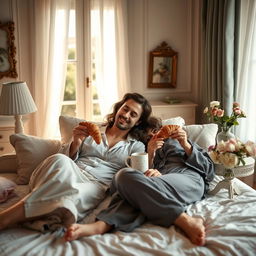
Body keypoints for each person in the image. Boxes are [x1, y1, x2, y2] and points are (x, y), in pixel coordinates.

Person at [0, 93, 152, 232]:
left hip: (95, 184)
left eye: (133, 114)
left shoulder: (136, 146)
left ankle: (15, 217)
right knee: (59, 159)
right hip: (69, 171)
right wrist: (76, 142)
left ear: (138, 122)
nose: (126, 115)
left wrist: (152, 155)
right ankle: (12, 217)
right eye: (125, 109)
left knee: (72, 197)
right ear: (119, 108)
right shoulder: (91, 130)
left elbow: (136, 177)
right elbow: (60, 162)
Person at [64, 116, 215, 246]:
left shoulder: (180, 142)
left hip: (187, 178)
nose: (154, 136)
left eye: (155, 131)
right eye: (148, 136)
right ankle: (101, 226)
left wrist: (185, 145)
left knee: (129, 184)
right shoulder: (143, 150)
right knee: (123, 177)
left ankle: (183, 219)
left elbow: (209, 171)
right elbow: (137, 178)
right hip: (157, 184)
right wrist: (151, 153)